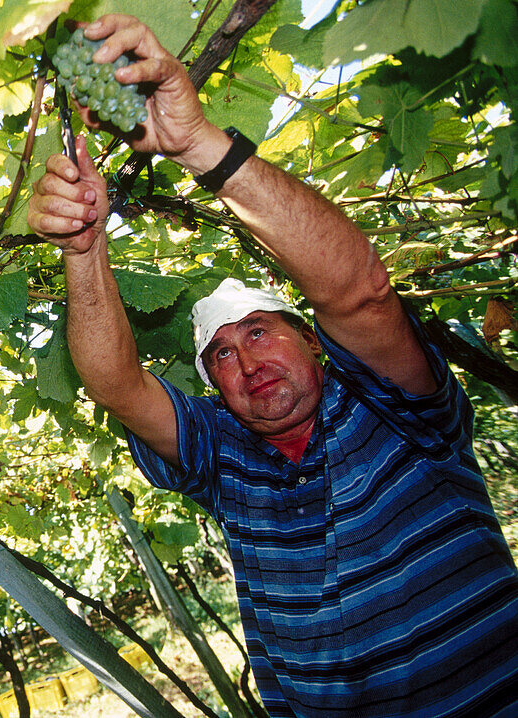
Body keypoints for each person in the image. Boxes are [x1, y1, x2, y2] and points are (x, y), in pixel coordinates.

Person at [27, 14, 518, 717]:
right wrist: (82, 247)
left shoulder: (394, 406)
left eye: (258, 332)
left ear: (313, 340)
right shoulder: (223, 457)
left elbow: (361, 293)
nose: (245, 360)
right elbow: (118, 387)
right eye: (221, 354)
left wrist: (199, 146)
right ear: (215, 392)